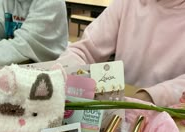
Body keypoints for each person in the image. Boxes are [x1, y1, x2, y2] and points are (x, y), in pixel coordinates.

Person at [56, 0, 185, 107]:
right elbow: (83, 50)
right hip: (119, 109)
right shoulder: (127, 3)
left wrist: (151, 96)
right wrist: (64, 74)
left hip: (172, 119)